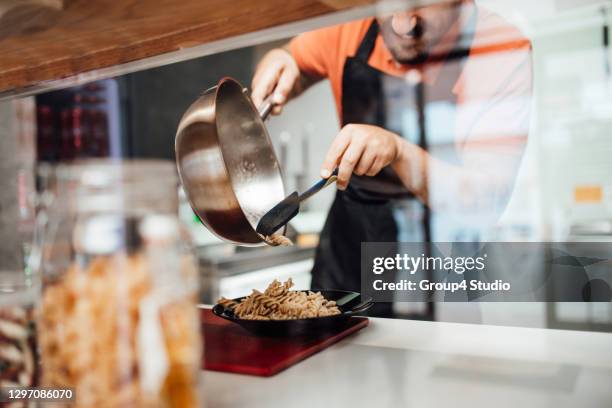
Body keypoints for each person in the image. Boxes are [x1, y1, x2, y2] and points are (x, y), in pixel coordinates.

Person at [251, 0, 532, 315]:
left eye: (420, 6)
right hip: (347, 258)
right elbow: (294, 61)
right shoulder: (352, 24)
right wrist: (281, 59)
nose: (401, 25)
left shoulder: (498, 48)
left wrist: (398, 153)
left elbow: (485, 202)